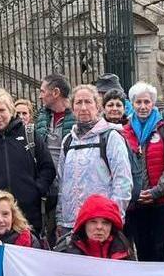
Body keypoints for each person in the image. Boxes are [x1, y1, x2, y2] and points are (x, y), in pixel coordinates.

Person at [0, 87, 56, 236]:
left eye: (1, 110)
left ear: (11, 111)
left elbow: (47, 168)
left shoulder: (30, 135)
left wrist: (35, 189)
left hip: (29, 216)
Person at [56, 85, 133, 239]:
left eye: (88, 102)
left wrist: (113, 218)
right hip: (71, 223)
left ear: (98, 106)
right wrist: (60, 218)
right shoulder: (68, 141)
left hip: (101, 224)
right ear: (72, 107)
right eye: (78, 103)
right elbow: (62, 183)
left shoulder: (111, 137)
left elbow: (123, 182)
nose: (83, 107)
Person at [121, 82, 164, 262]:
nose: (143, 107)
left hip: (160, 201)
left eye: (147, 102)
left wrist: (156, 191)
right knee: (143, 250)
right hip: (137, 203)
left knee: (162, 248)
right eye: (138, 102)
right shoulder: (125, 131)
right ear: (132, 104)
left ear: (153, 103)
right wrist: (135, 193)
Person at [34, 74, 75, 239]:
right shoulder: (40, 118)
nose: (40, 95)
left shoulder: (77, 119)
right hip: (46, 189)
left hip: (69, 190)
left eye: (43, 91)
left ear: (56, 92)